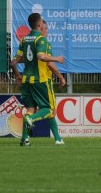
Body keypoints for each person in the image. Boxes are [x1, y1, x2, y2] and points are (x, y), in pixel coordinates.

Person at [10, 12, 66, 146]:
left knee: (30, 109)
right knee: (50, 110)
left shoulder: (24, 39)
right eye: (44, 26)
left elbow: (14, 62)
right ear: (40, 25)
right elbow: (43, 58)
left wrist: (18, 75)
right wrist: (57, 59)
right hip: (40, 80)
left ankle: (25, 139)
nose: (45, 29)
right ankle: (34, 121)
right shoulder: (41, 40)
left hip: (26, 81)